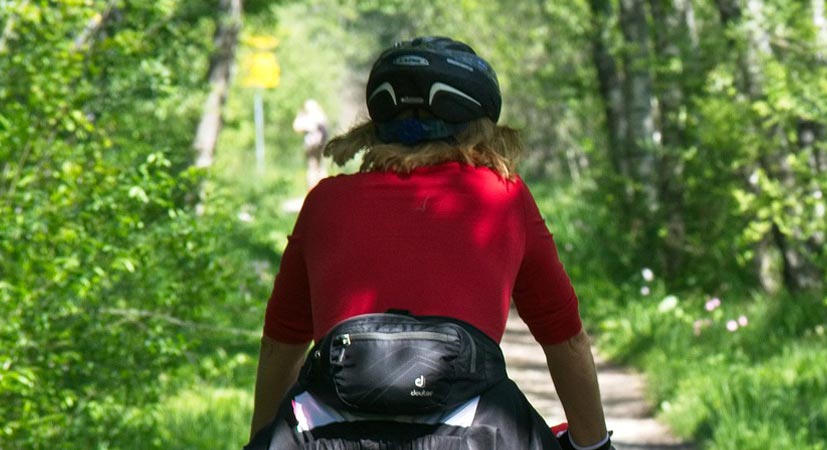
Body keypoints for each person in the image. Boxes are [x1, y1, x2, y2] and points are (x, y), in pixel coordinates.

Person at [246, 36, 615, 450]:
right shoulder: (502, 197)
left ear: (375, 128)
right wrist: (594, 445)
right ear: (482, 129)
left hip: (327, 434)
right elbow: (564, 338)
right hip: (473, 431)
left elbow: (281, 344)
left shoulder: (325, 201)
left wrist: (260, 440)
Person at [291, 99, 330, 190]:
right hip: (317, 145)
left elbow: (296, 127)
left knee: (315, 167)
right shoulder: (319, 115)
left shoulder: (308, 116)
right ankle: (321, 189)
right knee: (317, 167)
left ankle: (317, 189)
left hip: (315, 145)